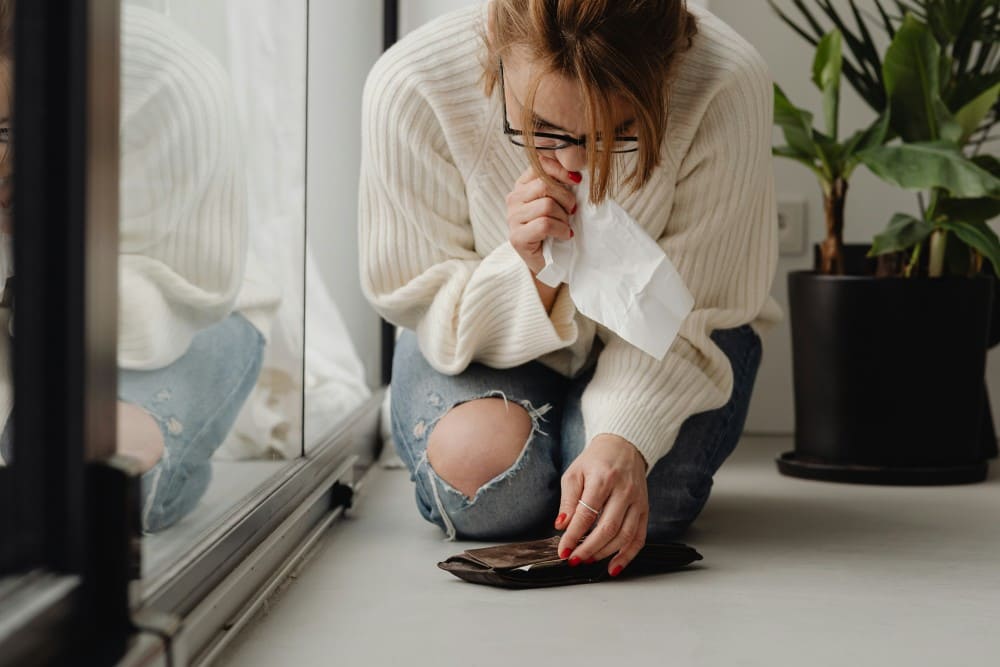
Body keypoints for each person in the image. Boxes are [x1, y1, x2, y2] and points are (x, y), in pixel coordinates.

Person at [360, 0, 780, 577]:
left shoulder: (726, 81)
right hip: (474, 340)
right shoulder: (411, 85)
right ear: (498, 57)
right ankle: (538, 447)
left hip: (679, 341)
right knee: (489, 488)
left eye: (620, 130)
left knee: (644, 503)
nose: (575, 163)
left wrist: (623, 438)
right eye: (540, 129)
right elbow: (418, 289)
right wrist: (527, 269)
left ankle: (570, 447)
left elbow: (698, 306)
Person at [0, 1, 270, 533]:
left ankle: (179, 458)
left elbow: (188, 291)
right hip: (49, 325)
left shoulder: (164, 82)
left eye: (7, 133)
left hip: (183, 315)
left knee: (80, 487)